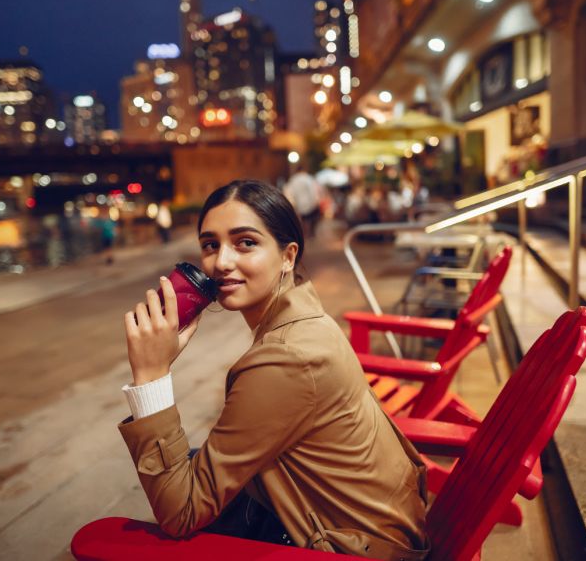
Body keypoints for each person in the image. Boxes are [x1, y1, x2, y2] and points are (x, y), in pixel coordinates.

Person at [117, 180, 429, 559]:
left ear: (287, 256)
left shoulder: (284, 358)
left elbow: (181, 513)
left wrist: (151, 376)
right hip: (379, 525)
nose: (221, 262)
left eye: (245, 242)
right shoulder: (306, 319)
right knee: (194, 458)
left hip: (351, 546)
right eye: (210, 245)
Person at [283, 169, 321, 237]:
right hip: (309, 204)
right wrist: (315, 201)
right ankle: (309, 233)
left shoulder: (293, 179)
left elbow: (290, 192)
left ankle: (303, 233)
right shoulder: (308, 179)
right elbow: (313, 191)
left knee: (302, 220)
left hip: (298, 204)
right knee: (310, 219)